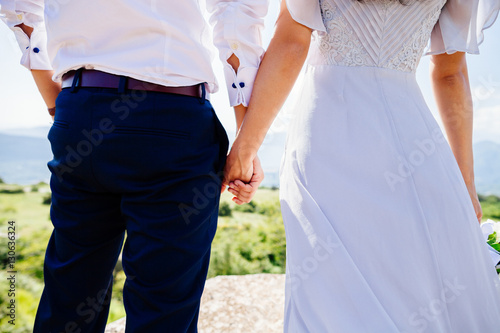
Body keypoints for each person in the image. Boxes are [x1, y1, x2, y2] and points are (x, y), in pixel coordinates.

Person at [224, 0, 500, 331]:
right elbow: (451, 73)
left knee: (329, 287)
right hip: (415, 141)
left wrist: (246, 146)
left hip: (327, 136)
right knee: (418, 281)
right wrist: (465, 184)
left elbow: (292, 41)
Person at [1, 0, 266, 331]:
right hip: (172, 115)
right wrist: (246, 139)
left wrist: (60, 105)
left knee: (69, 295)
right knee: (163, 308)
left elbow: (18, 7)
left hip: (80, 107)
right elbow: (235, 13)